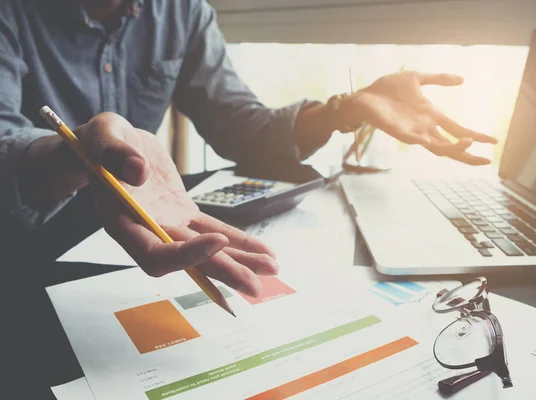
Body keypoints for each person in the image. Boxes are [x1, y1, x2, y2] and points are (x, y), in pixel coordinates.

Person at [0, 0, 496, 296]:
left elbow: (241, 126)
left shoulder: (182, 12)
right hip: (23, 252)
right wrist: (82, 156)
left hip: (140, 242)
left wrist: (347, 110)